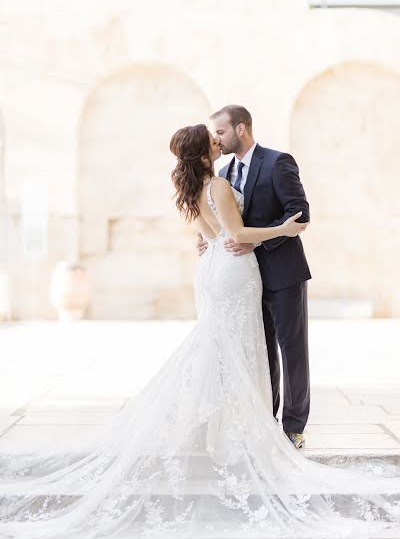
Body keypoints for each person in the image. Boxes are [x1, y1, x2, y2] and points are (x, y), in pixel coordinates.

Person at [0, 123, 399, 538]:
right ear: (205, 151)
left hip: (211, 268)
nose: (217, 140)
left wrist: (219, 238)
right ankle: (234, 435)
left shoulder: (191, 190)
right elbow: (238, 234)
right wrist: (282, 230)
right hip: (233, 270)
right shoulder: (220, 186)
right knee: (238, 347)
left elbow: (211, 235)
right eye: (212, 138)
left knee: (222, 347)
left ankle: (219, 431)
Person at [198, 105, 311, 449]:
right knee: (260, 351)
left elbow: (300, 214)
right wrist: (209, 240)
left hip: (283, 272)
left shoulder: (278, 162)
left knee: (291, 349)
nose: (215, 139)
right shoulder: (223, 174)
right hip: (242, 279)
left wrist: (259, 239)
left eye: (220, 132)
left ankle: (294, 428)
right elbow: (224, 219)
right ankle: (265, 420)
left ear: (241, 129)